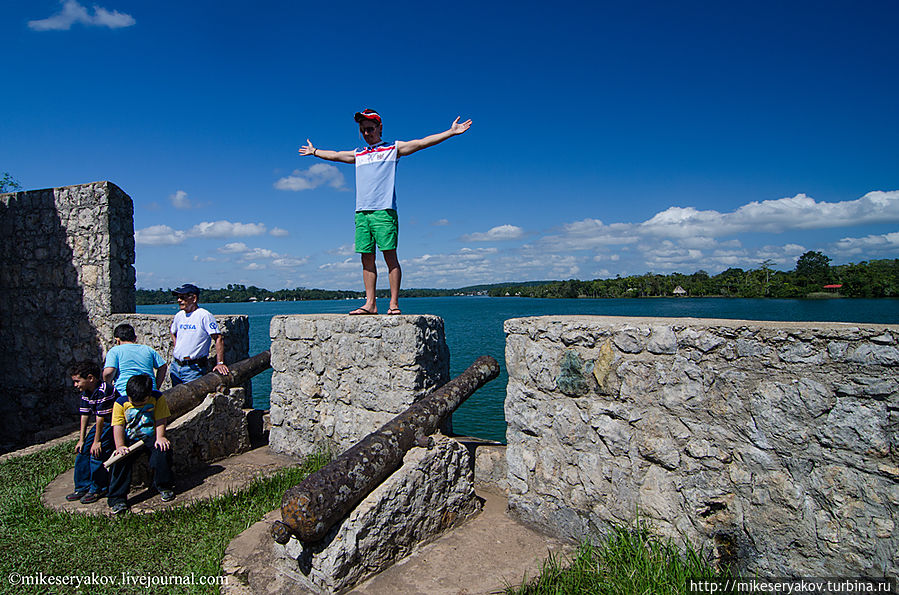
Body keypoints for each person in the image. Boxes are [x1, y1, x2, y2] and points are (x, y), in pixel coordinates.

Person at [300, 109, 472, 315]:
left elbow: (422, 142)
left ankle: (393, 304)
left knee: (390, 257)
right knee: (366, 258)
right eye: (363, 130)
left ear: (380, 128)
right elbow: (336, 155)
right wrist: (315, 151)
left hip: (384, 211)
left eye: (370, 129)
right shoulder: (360, 154)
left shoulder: (392, 148)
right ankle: (370, 304)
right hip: (362, 212)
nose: (366, 133)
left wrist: (450, 132)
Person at [107, 374, 175, 514]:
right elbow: (118, 425)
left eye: (141, 401)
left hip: (150, 437)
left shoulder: (157, 398)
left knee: (162, 453)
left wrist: (160, 436)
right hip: (130, 440)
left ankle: (164, 486)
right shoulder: (121, 403)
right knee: (120, 462)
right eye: (134, 401)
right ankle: (117, 498)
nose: (137, 404)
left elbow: (161, 419)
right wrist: (120, 446)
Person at [66, 361, 117, 504]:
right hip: (101, 424)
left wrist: (97, 441)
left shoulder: (104, 390)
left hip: (112, 423)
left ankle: (98, 488)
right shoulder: (86, 392)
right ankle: (82, 486)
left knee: (96, 453)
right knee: (83, 452)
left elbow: (101, 418)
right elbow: (85, 415)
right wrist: (81, 439)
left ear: (90, 378)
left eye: (77, 381)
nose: (76, 385)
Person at [169, 283, 230, 385]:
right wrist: (177, 347)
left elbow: (218, 338)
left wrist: (220, 363)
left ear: (194, 298)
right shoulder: (179, 316)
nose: (179, 300)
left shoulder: (204, 316)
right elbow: (173, 331)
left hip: (193, 369)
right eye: (178, 297)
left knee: (192, 399)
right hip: (176, 366)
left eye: (182, 297)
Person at [103, 323, 167, 397]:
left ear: (117, 340)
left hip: (124, 394)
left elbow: (108, 372)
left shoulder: (115, 351)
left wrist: (108, 386)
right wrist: (156, 386)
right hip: (149, 393)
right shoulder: (148, 349)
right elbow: (163, 366)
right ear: (135, 338)